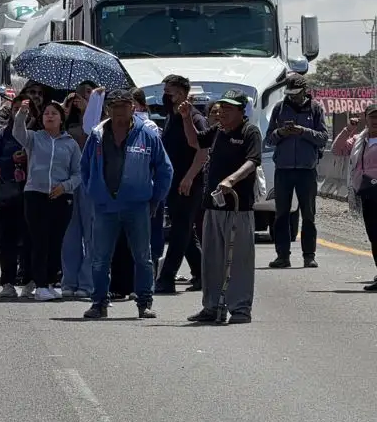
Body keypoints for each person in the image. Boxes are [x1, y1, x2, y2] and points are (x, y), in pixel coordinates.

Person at [80, 89, 173, 320]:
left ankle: (144, 303)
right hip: (105, 207)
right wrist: (95, 192)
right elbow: (84, 167)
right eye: (114, 105)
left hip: (138, 207)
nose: (119, 109)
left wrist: (155, 199)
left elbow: (165, 169)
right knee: (100, 258)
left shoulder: (148, 134)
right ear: (107, 109)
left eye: (124, 105)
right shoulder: (97, 134)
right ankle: (98, 303)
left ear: (133, 107)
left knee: (143, 257)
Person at [180, 91, 262, 323]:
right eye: (222, 108)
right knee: (212, 260)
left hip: (238, 207)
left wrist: (232, 180)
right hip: (213, 206)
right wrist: (186, 117)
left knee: (239, 261)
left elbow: (252, 161)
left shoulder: (249, 132)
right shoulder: (217, 131)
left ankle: (240, 308)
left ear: (241, 111)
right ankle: (212, 306)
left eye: (229, 109)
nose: (223, 113)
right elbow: (194, 141)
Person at [12, 99, 82, 301]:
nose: (49, 116)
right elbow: (18, 133)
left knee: (55, 242)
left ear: (62, 118)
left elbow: (78, 173)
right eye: (46, 114)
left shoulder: (70, 144)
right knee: (39, 241)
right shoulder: (34, 138)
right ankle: (39, 284)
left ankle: (51, 282)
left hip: (60, 197)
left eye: (54, 113)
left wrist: (65, 187)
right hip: (36, 194)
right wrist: (22, 114)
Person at [265, 74, 328, 269]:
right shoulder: (279, 108)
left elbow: (323, 137)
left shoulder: (316, 109)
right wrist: (281, 133)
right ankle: (282, 256)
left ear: (304, 90)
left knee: (308, 214)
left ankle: (309, 255)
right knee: (281, 214)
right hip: (283, 169)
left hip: (306, 170)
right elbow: (269, 139)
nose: (293, 97)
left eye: (296, 93)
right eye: (289, 93)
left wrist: (303, 131)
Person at [155, 75, 208, 294]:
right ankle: (203, 273)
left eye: (171, 91)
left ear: (183, 93)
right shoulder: (171, 116)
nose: (166, 95)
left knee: (180, 230)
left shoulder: (195, 118)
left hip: (190, 182)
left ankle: (167, 278)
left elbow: (202, 151)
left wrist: (189, 177)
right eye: (165, 91)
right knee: (185, 231)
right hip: (174, 181)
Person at [332, 107, 377, 291]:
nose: (375, 121)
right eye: (372, 117)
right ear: (366, 119)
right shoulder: (360, 140)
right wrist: (348, 129)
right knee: (374, 235)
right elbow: (337, 148)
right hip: (366, 191)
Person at [0, 104, 29, 298]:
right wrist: (10, 159)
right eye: (18, 108)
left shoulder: (39, 134)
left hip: (34, 191)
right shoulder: (4, 134)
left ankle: (31, 280)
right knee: (8, 239)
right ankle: (8, 282)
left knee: (32, 238)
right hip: (9, 191)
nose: (22, 112)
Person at [59, 91, 94, 298]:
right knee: (70, 235)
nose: (81, 99)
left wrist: (88, 111)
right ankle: (69, 280)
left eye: (87, 94)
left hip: (90, 180)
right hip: (70, 180)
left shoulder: (99, 122)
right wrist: (65, 110)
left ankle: (87, 282)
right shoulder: (65, 120)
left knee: (92, 233)